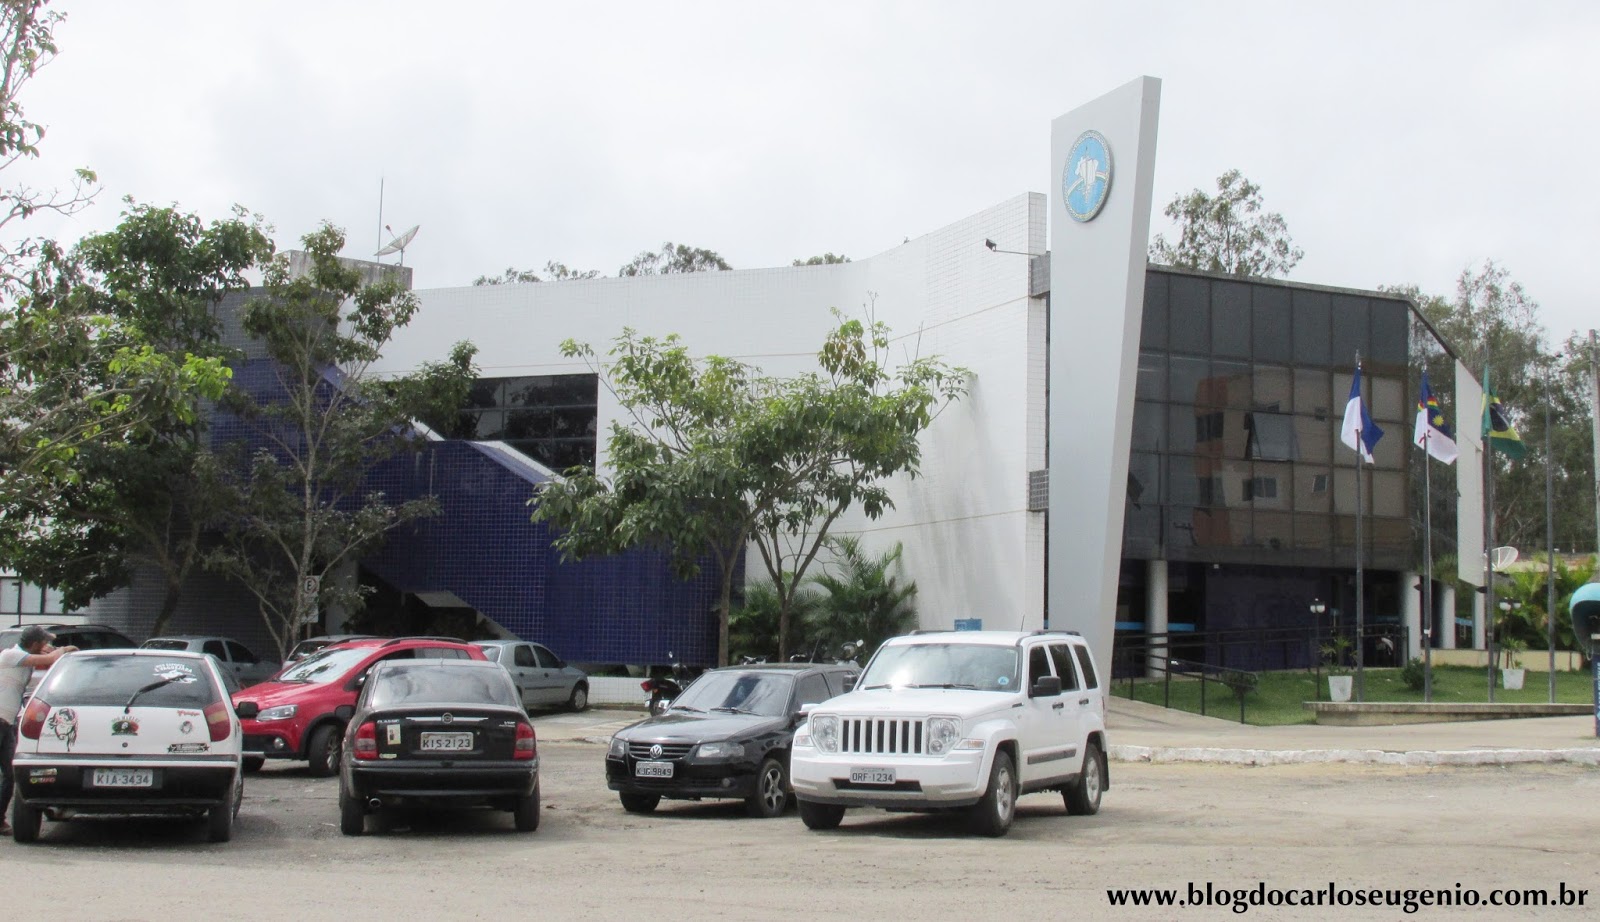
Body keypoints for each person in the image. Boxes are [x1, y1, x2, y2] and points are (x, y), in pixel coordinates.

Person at [0, 626, 77, 835]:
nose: (47, 645)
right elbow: (49, 659)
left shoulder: (24, 658)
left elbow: (47, 659)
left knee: (10, 774)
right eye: (43, 642)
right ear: (34, 644)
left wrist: (51, 652)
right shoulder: (11, 655)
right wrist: (64, 650)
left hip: (7, 721)